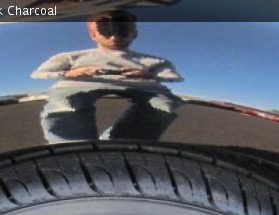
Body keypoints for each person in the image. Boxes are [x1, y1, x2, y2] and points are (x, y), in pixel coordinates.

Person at [31, 10, 183, 142]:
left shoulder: (153, 60)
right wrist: (70, 73)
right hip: (78, 85)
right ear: (93, 32)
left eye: (123, 30)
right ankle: (70, 145)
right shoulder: (71, 57)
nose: (114, 37)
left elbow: (173, 77)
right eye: (106, 30)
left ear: (134, 33)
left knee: (165, 105)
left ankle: (120, 142)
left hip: (142, 86)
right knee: (65, 103)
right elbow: (39, 73)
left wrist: (149, 75)